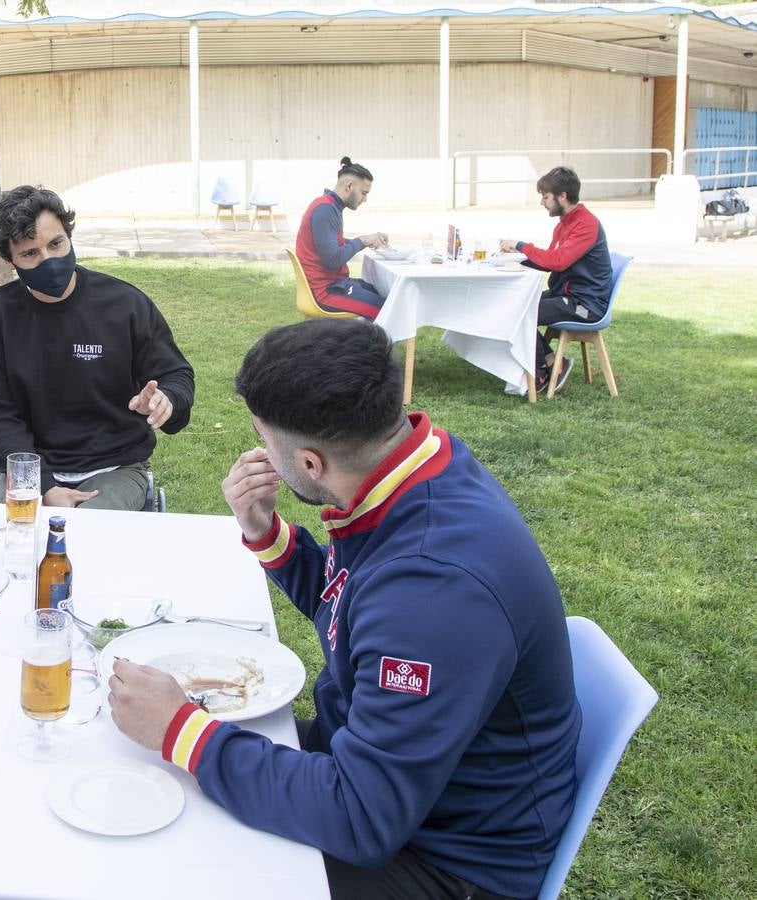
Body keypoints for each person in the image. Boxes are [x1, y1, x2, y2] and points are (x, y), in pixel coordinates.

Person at [107, 318, 580, 900]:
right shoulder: (410, 467)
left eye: (263, 435)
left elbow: (361, 817)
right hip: (389, 782)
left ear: (309, 464)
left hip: (447, 861)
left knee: (166, 863)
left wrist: (180, 729)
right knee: (148, 781)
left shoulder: (433, 588)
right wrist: (267, 534)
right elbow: (354, 609)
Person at [0, 185, 195, 511]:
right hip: (29, 466)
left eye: (56, 244)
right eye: (30, 254)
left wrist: (168, 400)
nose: (49, 260)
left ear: (69, 237)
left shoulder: (124, 304)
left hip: (115, 467)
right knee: (13, 542)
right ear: (10, 260)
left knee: (86, 535)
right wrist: (43, 487)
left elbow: (175, 374)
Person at [501, 166, 613, 394]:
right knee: (511, 306)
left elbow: (558, 261)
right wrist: (517, 257)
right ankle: (553, 362)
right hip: (566, 295)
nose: (542, 202)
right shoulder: (565, 224)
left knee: (519, 312)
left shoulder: (586, 224)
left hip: (585, 304)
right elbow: (550, 260)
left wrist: (521, 246)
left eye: (545, 196)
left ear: (563, 196)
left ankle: (542, 370)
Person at [294, 156, 389, 319]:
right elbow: (332, 259)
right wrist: (362, 241)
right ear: (349, 186)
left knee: (384, 295)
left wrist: (367, 240)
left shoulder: (330, 206)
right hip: (325, 292)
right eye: (363, 193)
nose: (364, 200)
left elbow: (334, 244)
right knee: (388, 310)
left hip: (335, 284)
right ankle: (368, 343)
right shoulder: (325, 210)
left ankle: (362, 341)